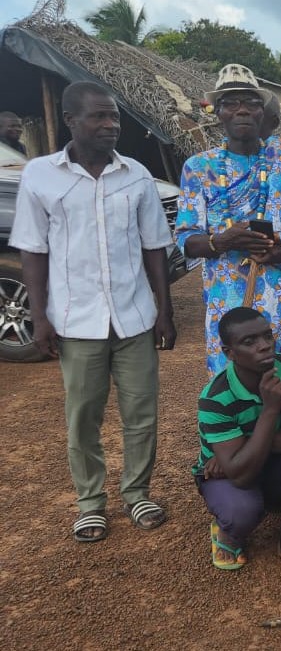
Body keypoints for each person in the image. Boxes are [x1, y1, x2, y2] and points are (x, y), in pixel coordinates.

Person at [10, 81, 176, 542]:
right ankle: (90, 502)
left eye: (114, 117)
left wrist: (164, 310)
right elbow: (33, 250)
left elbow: (155, 246)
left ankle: (137, 493)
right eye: (99, 116)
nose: (110, 125)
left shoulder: (136, 175)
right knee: (83, 416)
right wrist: (39, 316)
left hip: (134, 316)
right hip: (77, 320)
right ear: (70, 120)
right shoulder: (41, 175)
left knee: (141, 413)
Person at [176, 64, 281, 374]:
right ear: (218, 112)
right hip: (231, 301)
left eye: (251, 102)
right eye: (231, 103)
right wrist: (222, 241)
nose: (242, 110)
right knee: (237, 389)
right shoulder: (199, 168)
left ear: (262, 112)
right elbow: (186, 240)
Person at [193, 307, 281, 580]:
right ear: (229, 353)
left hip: (261, 462)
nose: (264, 346)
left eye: (267, 336)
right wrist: (270, 410)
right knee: (241, 512)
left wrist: (246, 447)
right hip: (224, 476)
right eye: (249, 341)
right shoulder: (214, 398)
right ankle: (227, 530)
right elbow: (240, 476)